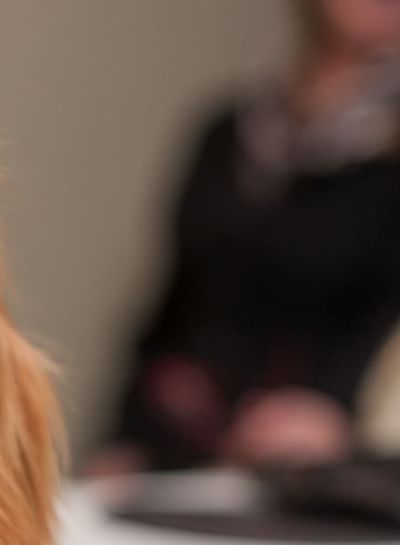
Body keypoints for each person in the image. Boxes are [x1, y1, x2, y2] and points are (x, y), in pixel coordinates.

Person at [93, 0, 400, 474]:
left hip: (317, 472)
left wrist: (338, 416)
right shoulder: (227, 132)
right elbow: (173, 305)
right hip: (180, 453)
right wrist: (123, 438)